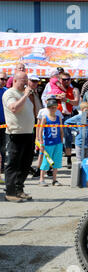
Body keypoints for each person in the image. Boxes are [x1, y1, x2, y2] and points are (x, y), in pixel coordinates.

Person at [2, 72, 35, 202]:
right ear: (15, 80)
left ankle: (19, 189)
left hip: (28, 133)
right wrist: (26, 95)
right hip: (15, 134)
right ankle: (10, 192)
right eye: (23, 80)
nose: (26, 82)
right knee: (13, 164)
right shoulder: (9, 94)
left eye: (26, 80)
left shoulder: (25, 95)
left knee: (25, 164)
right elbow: (14, 108)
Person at [36, 97, 64, 187]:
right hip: (48, 143)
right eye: (51, 107)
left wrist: (61, 141)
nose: (53, 109)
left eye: (55, 107)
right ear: (48, 108)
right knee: (46, 161)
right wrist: (41, 142)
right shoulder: (45, 118)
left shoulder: (58, 117)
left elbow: (61, 130)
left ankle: (54, 180)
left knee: (56, 161)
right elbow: (40, 130)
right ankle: (41, 179)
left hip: (57, 142)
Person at [56, 72, 80, 169]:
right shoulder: (55, 89)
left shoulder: (74, 90)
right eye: (64, 79)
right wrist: (56, 97)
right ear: (60, 80)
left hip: (67, 116)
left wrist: (66, 100)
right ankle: (57, 159)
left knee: (68, 138)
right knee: (57, 138)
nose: (66, 81)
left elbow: (76, 102)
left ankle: (69, 158)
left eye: (68, 79)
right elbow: (47, 99)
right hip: (57, 116)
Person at [0, 71, 8, 174]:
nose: (4, 81)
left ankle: (1, 167)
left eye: (5, 79)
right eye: (2, 79)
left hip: (4, 123)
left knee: (2, 147)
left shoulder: (7, 91)